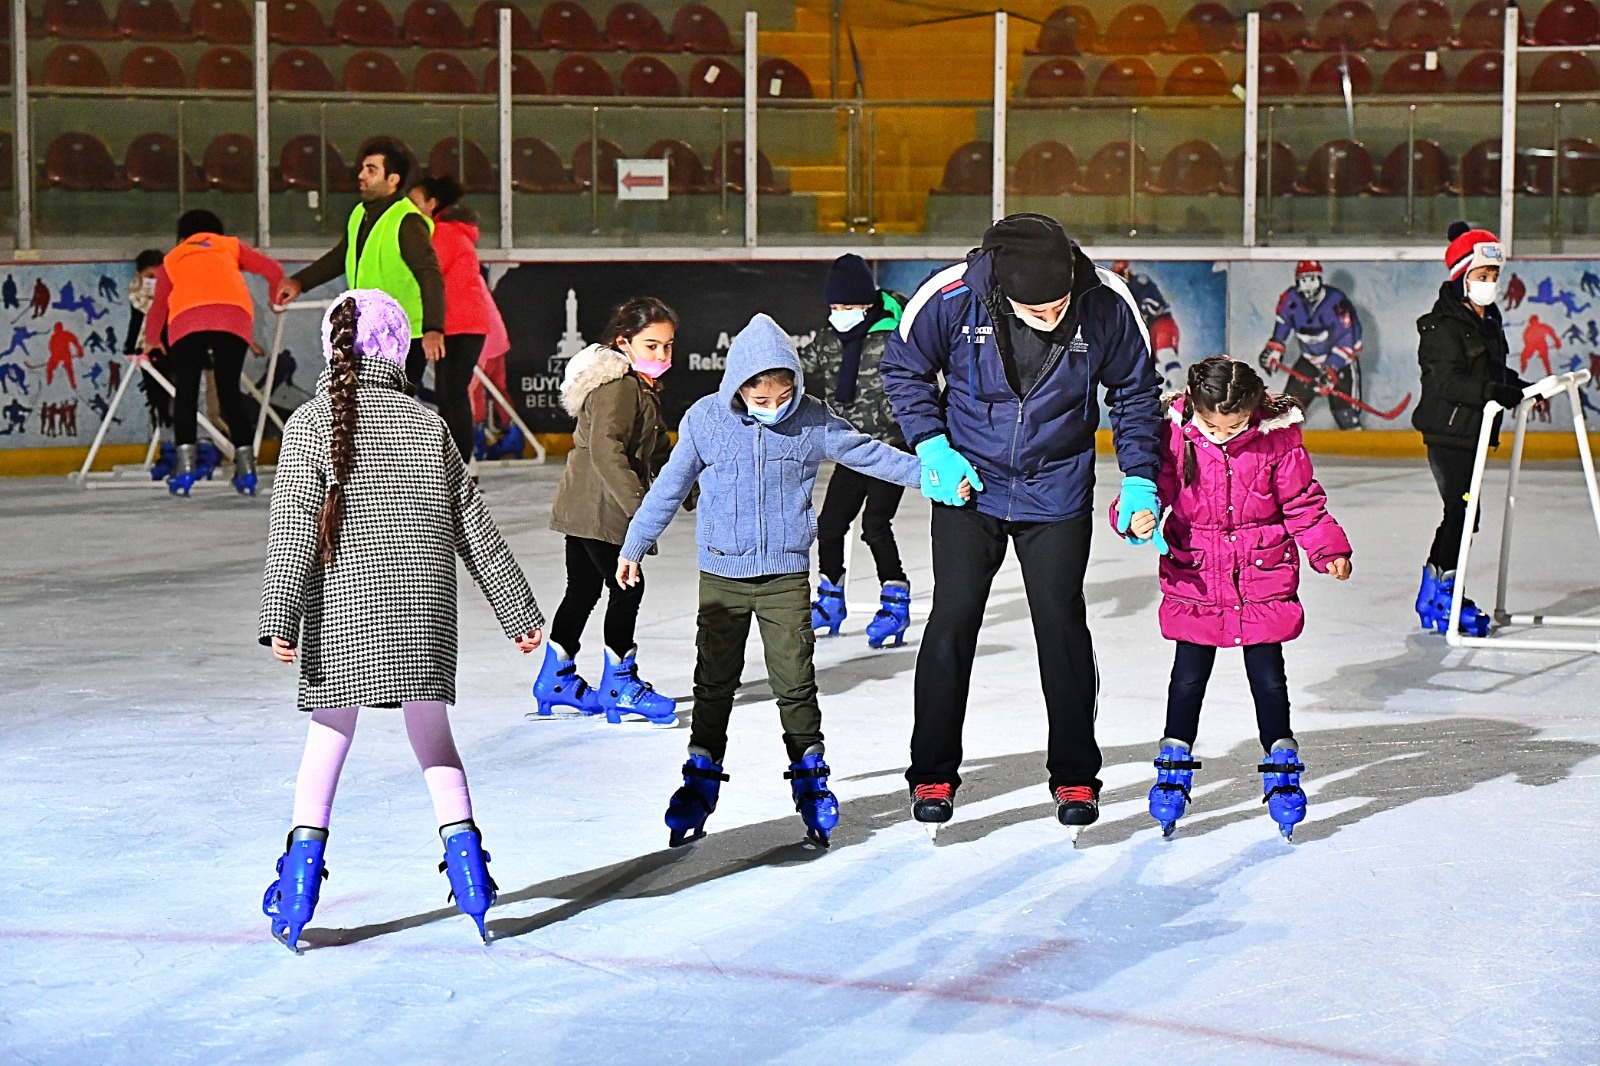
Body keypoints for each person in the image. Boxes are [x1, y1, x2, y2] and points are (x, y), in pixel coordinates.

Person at [257, 290, 544, 951]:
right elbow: (474, 525)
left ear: (332, 347)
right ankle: (471, 879)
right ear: (401, 348)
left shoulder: (307, 425)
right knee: (434, 738)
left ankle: (299, 884)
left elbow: (293, 531)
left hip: (342, 613)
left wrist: (283, 617)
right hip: (422, 616)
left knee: (328, 736)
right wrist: (517, 611)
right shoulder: (425, 424)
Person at [881, 212, 1164, 841]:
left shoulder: (1108, 302)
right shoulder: (951, 295)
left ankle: (1075, 774)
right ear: (1001, 289)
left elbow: (1137, 394)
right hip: (969, 486)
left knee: (1061, 626)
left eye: (1058, 303)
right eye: (1033, 309)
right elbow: (903, 368)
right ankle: (932, 773)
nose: (1050, 316)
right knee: (952, 621)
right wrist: (931, 445)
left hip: (1057, 487)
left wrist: (1140, 476)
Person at [616, 314, 926, 850]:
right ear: (738, 387)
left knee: (795, 683)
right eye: (759, 400)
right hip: (722, 576)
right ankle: (699, 779)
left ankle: (810, 779)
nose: (771, 407)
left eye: (781, 396)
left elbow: (869, 454)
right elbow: (669, 486)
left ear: (794, 386)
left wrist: (933, 476)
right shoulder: (705, 420)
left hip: (784, 576)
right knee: (714, 684)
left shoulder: (811, 420)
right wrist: (634, 544)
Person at [1113, 356, 1352, 842]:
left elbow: (1302, 501)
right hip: (1197, 575)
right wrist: (1137, 516)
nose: (1222, 434)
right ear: (1193, 409)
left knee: (1268, 678)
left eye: (1235, 424)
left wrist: (1327, 549)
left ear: (1254, 409)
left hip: (1259, 576)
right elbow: (1152, 488)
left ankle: (1280, 756)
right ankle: (1174, 756)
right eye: (1212, 424)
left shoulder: (1277, 439)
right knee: (1187, 678)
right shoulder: (1174, 434)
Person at [534, 297, 681, 726]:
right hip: (602, 509)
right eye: (650, 345)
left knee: (582, 591)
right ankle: (619, 685)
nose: (661, 355)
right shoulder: (619, 386)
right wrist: (642, 514)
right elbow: (606, 450)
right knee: (626, 588)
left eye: (668, 346)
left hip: (582, 505)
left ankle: (555, 679)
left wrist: (688, 491)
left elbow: (655, 450)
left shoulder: (638, 386)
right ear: (624, 342)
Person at [1411, 222, 1532, 638]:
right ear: (1462, 277)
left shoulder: (1488, 320)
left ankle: (1434, 591)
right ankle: (1444, 594)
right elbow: (1448, 383)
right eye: (1482, 277)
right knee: (1461, 514)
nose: (1490, 285)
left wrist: (1518, 385)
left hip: (1474, 430)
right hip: (1449, 433)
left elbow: (1491, 370)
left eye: (1494, 277)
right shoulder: (1441, 326)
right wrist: (1492, 391)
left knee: (1462, 515)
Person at [796, 253, 915, 648]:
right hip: (852, 448)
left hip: (892, 448)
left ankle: (895, 601)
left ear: (868, 301)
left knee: (875, 526)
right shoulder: (830, 338)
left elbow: (926, 378)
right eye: (834, 307)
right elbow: (797, 366)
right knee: (829, 525)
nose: (840, 313)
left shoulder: (899, 333)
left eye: (847, 306)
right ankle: (830, 600)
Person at [274, 137, 446, 373]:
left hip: (403, 335)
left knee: (388, 407)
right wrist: (300, 282)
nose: (361, 175)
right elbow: (341, 256)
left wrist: (433, 329)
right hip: (372, 330)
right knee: (371, 406)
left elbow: (430, 274)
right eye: (363, 168)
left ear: (392, 180)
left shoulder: (407, 221)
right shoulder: (359, 213)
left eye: (371, 170)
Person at [141, 211, 283, 496]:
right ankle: (246, 471)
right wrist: (274, 299)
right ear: (217, 232)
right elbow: (274, 271)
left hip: (187, 321)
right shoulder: (230, 245)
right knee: (229, 390)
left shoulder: (173, 257)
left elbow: (159, 305)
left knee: (186, 392)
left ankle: (184, 470)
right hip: (234, 318)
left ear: (182, 236)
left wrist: (153, 339)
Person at [407, 174, 506, 464]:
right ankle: (456, 462)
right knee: (450, 395)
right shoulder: (447, 232)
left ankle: (459, 464)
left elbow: (422, 273)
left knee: (451, 395)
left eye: (413, 203)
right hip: (461, 324)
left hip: (460, 326)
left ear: (432, 204)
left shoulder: (443, 234)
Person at [1258, 261, 1365, 430]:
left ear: (1319, 279)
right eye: (1303, 279)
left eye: (1312, 279)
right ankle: (1278, 451)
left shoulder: (1336, 302)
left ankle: (1360, 445)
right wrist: (1275, 349)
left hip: (1341, 363)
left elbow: (1348, 338)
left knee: (1345, 414)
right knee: (1287, 411)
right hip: (1309, 360)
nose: (1308, 285)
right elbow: (1283, 326)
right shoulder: (1290, 299)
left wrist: (1331, 370)